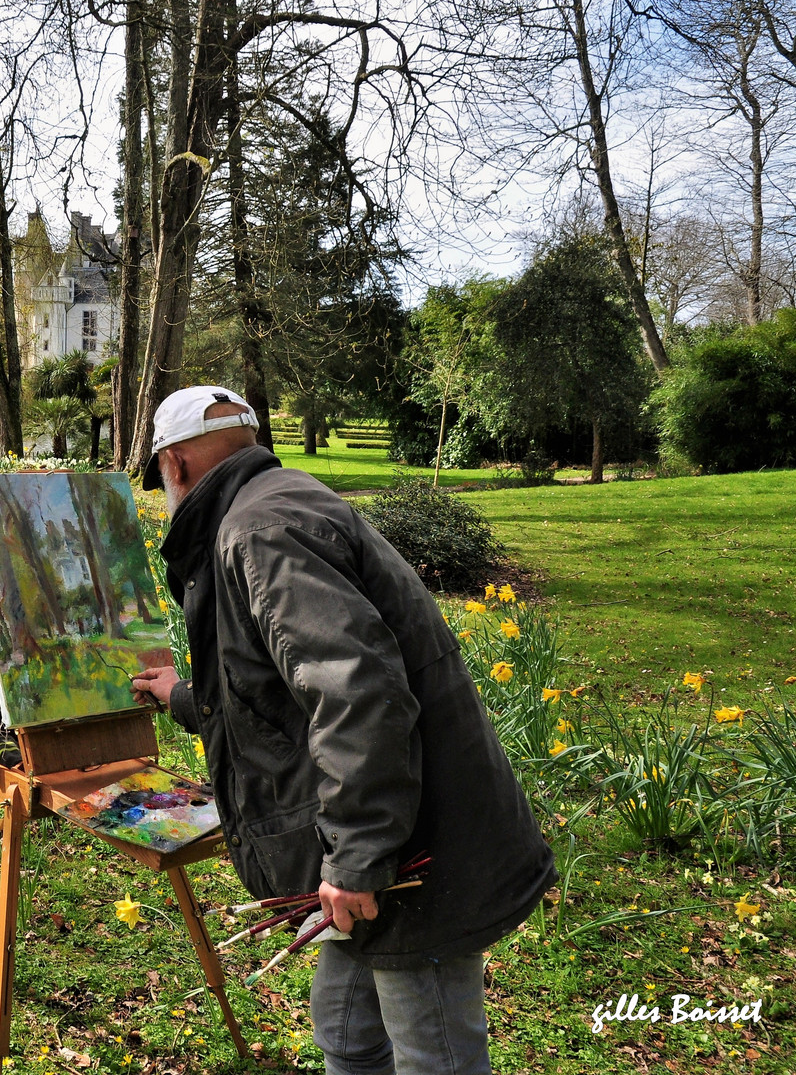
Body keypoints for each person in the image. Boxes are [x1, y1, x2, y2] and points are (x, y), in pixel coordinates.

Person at [129, 386, 556, 1075]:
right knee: (346, 1031)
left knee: (433, 1055)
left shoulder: (259, 531)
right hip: (388, 834)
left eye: (161, 481)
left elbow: (358, 692)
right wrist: (183, 696)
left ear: (174, 465)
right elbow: (281, 692)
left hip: (412, 851)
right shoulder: (279, 503)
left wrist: (357, 856)